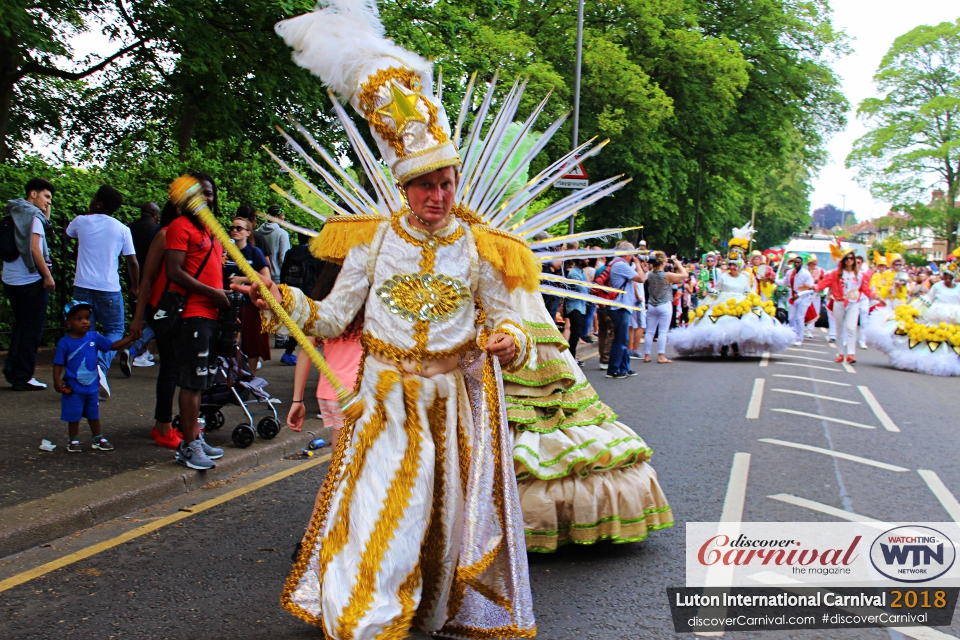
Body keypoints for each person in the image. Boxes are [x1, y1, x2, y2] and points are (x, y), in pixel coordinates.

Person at [165, 173, 227, 470]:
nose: (205, 199)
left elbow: (214, 272)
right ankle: (188, 445)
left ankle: (195, 438)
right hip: (192, 314)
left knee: (201, 381)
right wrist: (213, 293)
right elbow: (174, 272)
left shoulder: (212, 231)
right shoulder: (179, 227)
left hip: (210, 314)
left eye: (209, 194)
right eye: (199, 193)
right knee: (190, 383)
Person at [671, 227, 795, 357]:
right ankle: (724, 347)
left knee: (740, 323)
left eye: (734, 265)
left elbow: (748, 291)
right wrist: (706, 296)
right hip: (722, 303)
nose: (732, 268)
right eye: (730, 265)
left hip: (741, 303)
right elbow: (717, 289)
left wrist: (753, 301)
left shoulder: (744, 277)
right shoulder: (724, 276)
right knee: (722, 322)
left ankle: (735, 348)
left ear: (739, 266)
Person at [66, 185, 139, 397]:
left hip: (82, 285)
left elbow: (67, 234)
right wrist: (134, 286)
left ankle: (82, 375)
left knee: (83, 331)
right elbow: (132, 262)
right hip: (109, 287)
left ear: (98, 203)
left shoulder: (81, 221)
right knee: (115, 328)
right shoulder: (122, 229)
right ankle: (101, 366)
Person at [286, 261, 363, 457]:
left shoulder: (322, 309)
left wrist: (297, 399)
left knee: (339, 472)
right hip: (363, 393)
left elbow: (306, 351)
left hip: (332, 393)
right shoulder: (372, 304)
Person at [129, 202, 183, 449]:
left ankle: (163, 423)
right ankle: (163, 425)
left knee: (174, 367)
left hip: (176, 308)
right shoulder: (164, 234)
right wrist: (138, 318)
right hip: (163, 309)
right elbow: (147, 277)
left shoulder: (181, 234)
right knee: (171, 366)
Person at [53, 300, 135, 453]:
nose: (84, 322)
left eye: (87, 318)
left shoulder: (94, 337)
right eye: (79, 319)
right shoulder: (65, 343)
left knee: (94, 413)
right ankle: (73, 439)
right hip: (73, 387)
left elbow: (111, 346)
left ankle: (97, 437)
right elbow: (58, 363)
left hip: (92, 387)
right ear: (68, 323)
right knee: (74, 414)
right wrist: (57, 380)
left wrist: (130, 339)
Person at [864, 250, 960, 376]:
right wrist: (915, 310)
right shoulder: (937, 286)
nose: (947, 280)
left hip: (955, 319)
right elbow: (927, 300)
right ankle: (930, 361)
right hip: (935, 316)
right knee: (933, 338)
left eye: (950, 278)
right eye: (945, 277)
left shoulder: (958, 288)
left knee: (951, 341)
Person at [2, 178, 55, 391]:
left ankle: (13, 369)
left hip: (11, 278)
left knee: (21, 325)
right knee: (32, 329)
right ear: (33, 194)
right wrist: (47, 276)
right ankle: (24, 376)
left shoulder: (14, 213)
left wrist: (45, 214)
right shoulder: (33, 217)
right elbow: (35, 249)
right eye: (46, 196)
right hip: (30, 280)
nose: (49, 202)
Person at [223, 216, 272, 370]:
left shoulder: (254, 252)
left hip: (249, 304)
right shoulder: (226, 252)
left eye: (239, 228)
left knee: (252, 342)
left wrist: (242, 279)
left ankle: (250, 378)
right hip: (227, 302)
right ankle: (230, 375)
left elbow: (267, 279)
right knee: (228, 341)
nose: (234, 231)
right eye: (232, 228)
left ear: (248, 233)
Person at [815, 245, 872, 364]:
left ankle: (851, 354)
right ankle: (841, 353)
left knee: (851, 328)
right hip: (839, 302)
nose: (850, 260)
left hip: (853, 304)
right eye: (847, 258)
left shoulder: (859, 275)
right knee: (840, 329)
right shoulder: (836, 274)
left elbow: (866, 290)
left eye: (852, 258)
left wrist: (877, 297)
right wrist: (812, 287)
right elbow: (823, 284)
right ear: (843, 260)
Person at [277, 232, 324, 365]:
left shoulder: (291, 252)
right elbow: (318, 273)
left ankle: (289, 352)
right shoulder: (314, 254)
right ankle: (306, 351)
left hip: (292, 290)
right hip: (309, 291)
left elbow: (283, 271)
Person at [606, 243, 646, 379]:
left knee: (623, 338)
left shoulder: (616, 263)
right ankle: (613, 369)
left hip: (620, 305)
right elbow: (641, 279)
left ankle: (625, 367)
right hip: (620, 306)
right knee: (621, 339)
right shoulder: (620, 265)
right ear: (627, 253)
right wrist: (638, 264)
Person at [643, 252, 688, 363]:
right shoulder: (667, 275)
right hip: (664, 304)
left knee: (649, 332)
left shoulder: (650, 275)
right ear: (663, 262)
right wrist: (678, 264)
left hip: (652, 305)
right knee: (663, 332)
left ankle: (647, 356)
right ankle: (661, 356)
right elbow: (685, 275)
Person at [776, 253, 815, 345]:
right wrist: (774, 281)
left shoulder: (806, 274)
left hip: (803, 299)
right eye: (795, 262)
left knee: (799, 318)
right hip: (792, 298)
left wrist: (799, 294)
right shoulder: (790, 273)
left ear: (802, 264)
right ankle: (792, 336)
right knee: (791, 318)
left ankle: (799, 338)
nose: (796, 264)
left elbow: (810, 289)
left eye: (798, 262)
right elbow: (784, 282)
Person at [563, 258, 590, 364]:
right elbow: (583, 290)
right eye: (585, 259)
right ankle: (571, 358)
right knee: (575, 333)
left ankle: (572, 357)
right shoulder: (574, 274)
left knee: (576, 332)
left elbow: (587, 287)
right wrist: (588, 288)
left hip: (579, 306)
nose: (587, 260)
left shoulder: (581, 272)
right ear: (579, 260)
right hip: (574, 307)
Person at [257, 205, 291, 283]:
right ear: (275, 217)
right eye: (282, 215)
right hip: (276, 277)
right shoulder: (282, 234)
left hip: (259, 275)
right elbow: (283, 258)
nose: (284, 217)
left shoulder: (258, 231)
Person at [805, 256, 825, 339]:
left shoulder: (819, 271)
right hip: (806, 293)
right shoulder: (805, 272)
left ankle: (810, 330)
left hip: (815, 294)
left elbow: (822, 281)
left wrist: (818, 281)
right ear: (809, 264)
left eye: (815, 263)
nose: (814, 265)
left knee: (815, 311)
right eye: (813, 263)